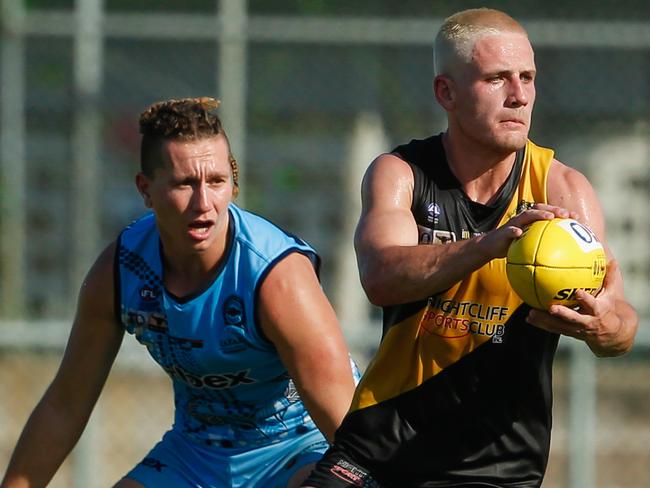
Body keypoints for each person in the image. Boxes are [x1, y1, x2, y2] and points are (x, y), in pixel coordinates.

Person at [303, 8, 638, 488]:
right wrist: (489, 245)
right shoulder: (402, 173)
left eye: (527, 77)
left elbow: (621, 322)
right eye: (497, 80)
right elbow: (380, 276)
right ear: (447, 92)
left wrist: (606, 327)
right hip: (376, 451)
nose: (519, 96)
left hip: (493, 467)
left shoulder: (562, 191)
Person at [1, 97, 359, 488]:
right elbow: (64, 406)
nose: (204, 203)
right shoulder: (121, 271)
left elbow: (351, 435)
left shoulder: (277, 278)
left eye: (217, 181)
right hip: (194, 454)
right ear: (146, 189)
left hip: (297, 449)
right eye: (184, 183)